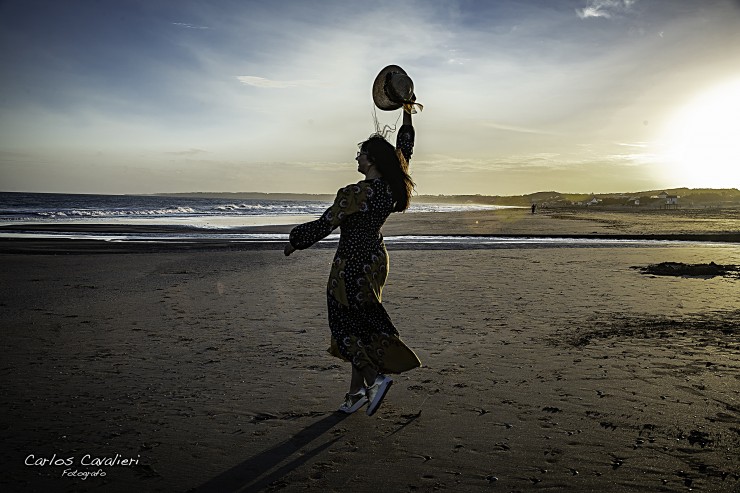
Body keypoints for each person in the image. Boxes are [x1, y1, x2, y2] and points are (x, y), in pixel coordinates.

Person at [284, 110, 421, 416]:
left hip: (350, 264)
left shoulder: (354, 194)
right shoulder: (391, 185)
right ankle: (354, 394)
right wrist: (407, 115)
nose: (356, 159)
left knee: (344, 327)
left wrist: (294, 241)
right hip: (375, 259)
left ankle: (375, 380)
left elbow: (324, 225)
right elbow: (405, 149)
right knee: (359, 325)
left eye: (360, 154)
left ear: (370, 160)